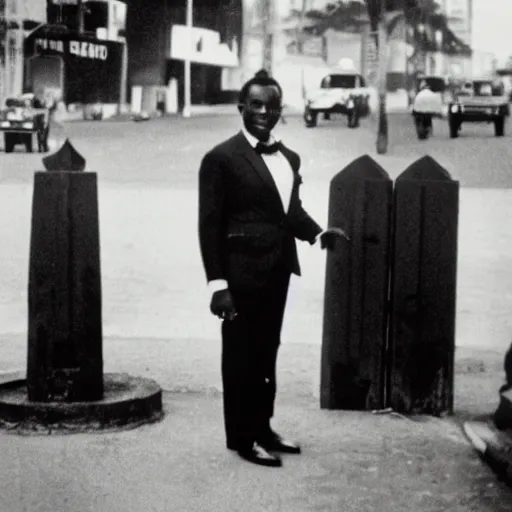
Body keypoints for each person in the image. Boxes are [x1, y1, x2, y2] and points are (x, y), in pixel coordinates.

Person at [198, 69, 348, 468]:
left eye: (273, 105)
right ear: (241, 108)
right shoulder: (220, 158)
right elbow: (209, 225)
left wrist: (318, 233)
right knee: (240, 356)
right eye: (257, 104)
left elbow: (289, 212)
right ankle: (243, 439)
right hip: (240, 273)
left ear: (281, 109)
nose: (265, 111)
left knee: (267, 353)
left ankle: (263, 428)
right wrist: (217, 285)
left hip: (277, 269)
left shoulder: (288, 157)